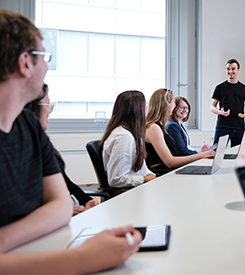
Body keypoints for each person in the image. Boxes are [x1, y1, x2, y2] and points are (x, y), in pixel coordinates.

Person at [0, 9, 141, 273]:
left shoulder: (29, 126)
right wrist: (84, 258)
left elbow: (61, 205)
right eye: (44, 57)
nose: (47, 67)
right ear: (25, 63)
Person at [25, 84, 99, 215]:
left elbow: (64, 179)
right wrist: (59, 208)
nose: (50, 111)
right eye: (48, 105)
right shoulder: (21, 149)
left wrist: (85, 199)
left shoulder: (41, 142)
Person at [146, 89, 215, 174]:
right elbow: (170, 162)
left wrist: (201, 155)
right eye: (174, 102)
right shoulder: (154, 128)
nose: (174, 106)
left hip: (165, 169)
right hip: (161, 172)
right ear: (167, 103)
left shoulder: (159, 126)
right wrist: (201, 155)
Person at [101, 90, 156, 187]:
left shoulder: (132, 134)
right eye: (145, 105)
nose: (147, 108)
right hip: (129, 194)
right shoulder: (123, 137)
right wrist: (145, 178)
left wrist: (152, 176)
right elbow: (116, 179)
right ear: (137, 110)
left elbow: (142, 169)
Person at [210, 58, 245, 147]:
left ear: (238, 70)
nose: (230, 71)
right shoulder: (220, 87)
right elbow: (212, 107)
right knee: (216, 152)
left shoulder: (244, 89)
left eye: (233, 69)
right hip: (222, 127)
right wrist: (220, 112)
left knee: (238, 156)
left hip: (239, 127)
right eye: (228, 69)